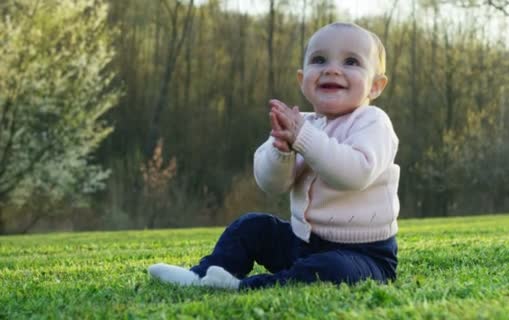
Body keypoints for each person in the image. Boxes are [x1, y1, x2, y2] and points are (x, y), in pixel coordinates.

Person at [148, 22, 400, 290]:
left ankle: (243, 286)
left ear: (375, 86)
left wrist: (303, 138)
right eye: (319, 59)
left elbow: (355, 173)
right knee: (252, 226)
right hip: (301, 242)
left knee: (329, 270)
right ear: (302, 80)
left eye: (351, 61)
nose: (331, 69)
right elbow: (272, 185)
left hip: (363, 255)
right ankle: (201, 275)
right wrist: (282, 152)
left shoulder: (373, 123)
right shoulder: (300, 124)